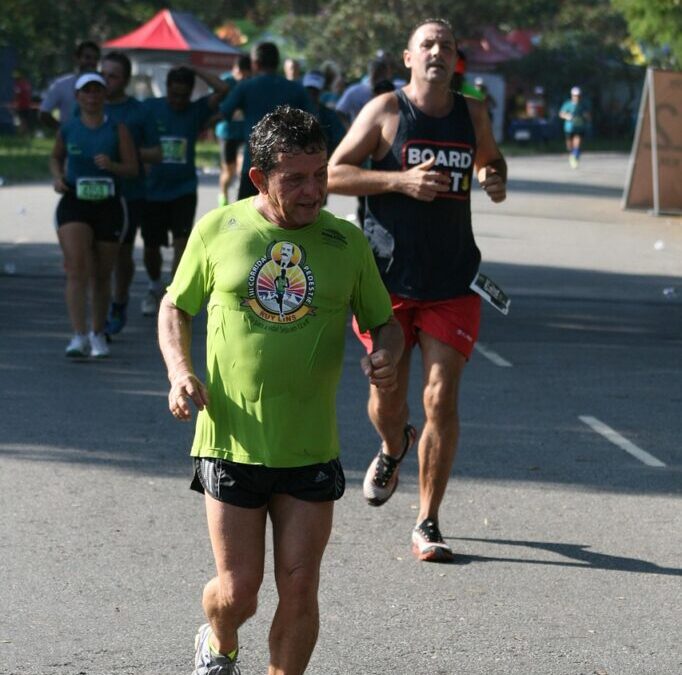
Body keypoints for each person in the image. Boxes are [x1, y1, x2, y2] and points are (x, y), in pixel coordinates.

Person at [157, 105, 403, 675]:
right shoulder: (219, 229)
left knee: (300, 587)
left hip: (310, 446)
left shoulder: (346, 243)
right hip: (230, 440)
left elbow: (383, 321)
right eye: (295, 178)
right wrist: (179, 370)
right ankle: (218, 640)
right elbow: (176, 305)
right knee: (239, 593)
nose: (314, 190)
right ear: (259, 178)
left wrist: (385, 352)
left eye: (320, 174)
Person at [328, 18, 507, 562]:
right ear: (409, 57)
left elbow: (491, 162)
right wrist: (398, 181)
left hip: (453, 279)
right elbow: (335, 172)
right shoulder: (385, 111)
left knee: (440, 396)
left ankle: (427, 520)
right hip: (386, 280)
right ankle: (392, 445)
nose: (436, 51)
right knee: (387, 393)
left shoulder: (472, 111)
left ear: (455, 60)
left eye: (446, 45)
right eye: (426, 44)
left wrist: (493, 176)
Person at [49, 72, 137, 358]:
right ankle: (78, 335)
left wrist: (112, 164)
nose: (91, 96)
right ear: (77, 97)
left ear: (104, 96)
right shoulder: (69, 128)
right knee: (76, 268)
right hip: (75, 202)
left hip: (108, 205)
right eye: (86, 91)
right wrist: (57, 177)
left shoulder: (117, 129)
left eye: (97, 91)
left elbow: (132, 168)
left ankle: (98, 333)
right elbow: (55, 157)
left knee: (102, 273)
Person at [140, 66, 228, 316]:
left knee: (181, 244)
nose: (178, 100)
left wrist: (196, 69)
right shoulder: (150, 107)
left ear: (190, 93)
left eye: (183, 95)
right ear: (166, 88)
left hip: (183, 189)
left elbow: (223, 89)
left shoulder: (196, 110)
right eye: (173, 93)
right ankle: (154, 284)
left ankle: (171, 294)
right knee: (151, 247)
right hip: (152, 191)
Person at [98, 51, 162, 336]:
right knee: (95, 255)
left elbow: (157, 153)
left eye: (113, 76)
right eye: (103, 74)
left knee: (122, 254)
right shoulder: (89, 107)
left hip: (130, 194)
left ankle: (119, 301)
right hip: (94, 194)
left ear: (124, 80)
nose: (106, 81)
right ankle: (97, 311)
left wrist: (126, 155)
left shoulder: (139, 111)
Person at [219, 42, 312, 202]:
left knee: (247, 218)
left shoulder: (246, 87)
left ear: (255, 64)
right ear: (278, 62)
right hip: (288, 163)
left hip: (254, 164)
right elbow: (312, 121)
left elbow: (225, 112)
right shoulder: (295, 89)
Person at [215, 54, 252, 207]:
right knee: (228, 171)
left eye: (245, 73)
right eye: (239, 73)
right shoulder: (226, 81)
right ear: (233, 70)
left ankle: (239, 199)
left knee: (242, 165)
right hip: (227, 133)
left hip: (244, 133)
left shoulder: (251, 84)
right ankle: (223, 193)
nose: (241, 77)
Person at [40, 41, 100, 130]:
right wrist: (63, 131)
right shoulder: (62, 84)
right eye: (87, 58)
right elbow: (44, 112)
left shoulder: (104, 85)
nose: (92, 62)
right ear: (77, 58)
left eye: (95, 59)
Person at [302, 70, 345, 155]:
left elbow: (339, 142)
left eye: (315, 90)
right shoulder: (294, 113)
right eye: (309, 89)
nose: (311, 93)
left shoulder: (330, 115)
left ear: (321, 91)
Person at [559, 86, 590, 168]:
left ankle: (575, 157)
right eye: (575, 95)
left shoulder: (583, 105)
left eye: (578, 96)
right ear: (572, 96)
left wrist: (586, 116)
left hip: (579, 127)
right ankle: (572, 154)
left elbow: (588, 115)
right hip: (569, 128)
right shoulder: (567, 104)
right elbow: (561, 114)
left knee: (577, 143)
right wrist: (567, 116)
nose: (577, 97)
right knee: (569, 146)